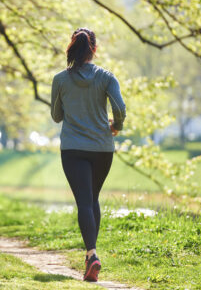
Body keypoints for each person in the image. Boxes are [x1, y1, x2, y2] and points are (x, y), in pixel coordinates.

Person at [50, 27, 126, 282]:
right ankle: (90, 256)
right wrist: (116, 126)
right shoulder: (106, 77)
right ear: (94, 49)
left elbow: (56, 116)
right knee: (92, 199)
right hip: (102, 148)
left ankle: (92, 255)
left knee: (84, 201)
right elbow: (120, 108)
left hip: (73, 148)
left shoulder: (60, 79)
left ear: (72, 48)